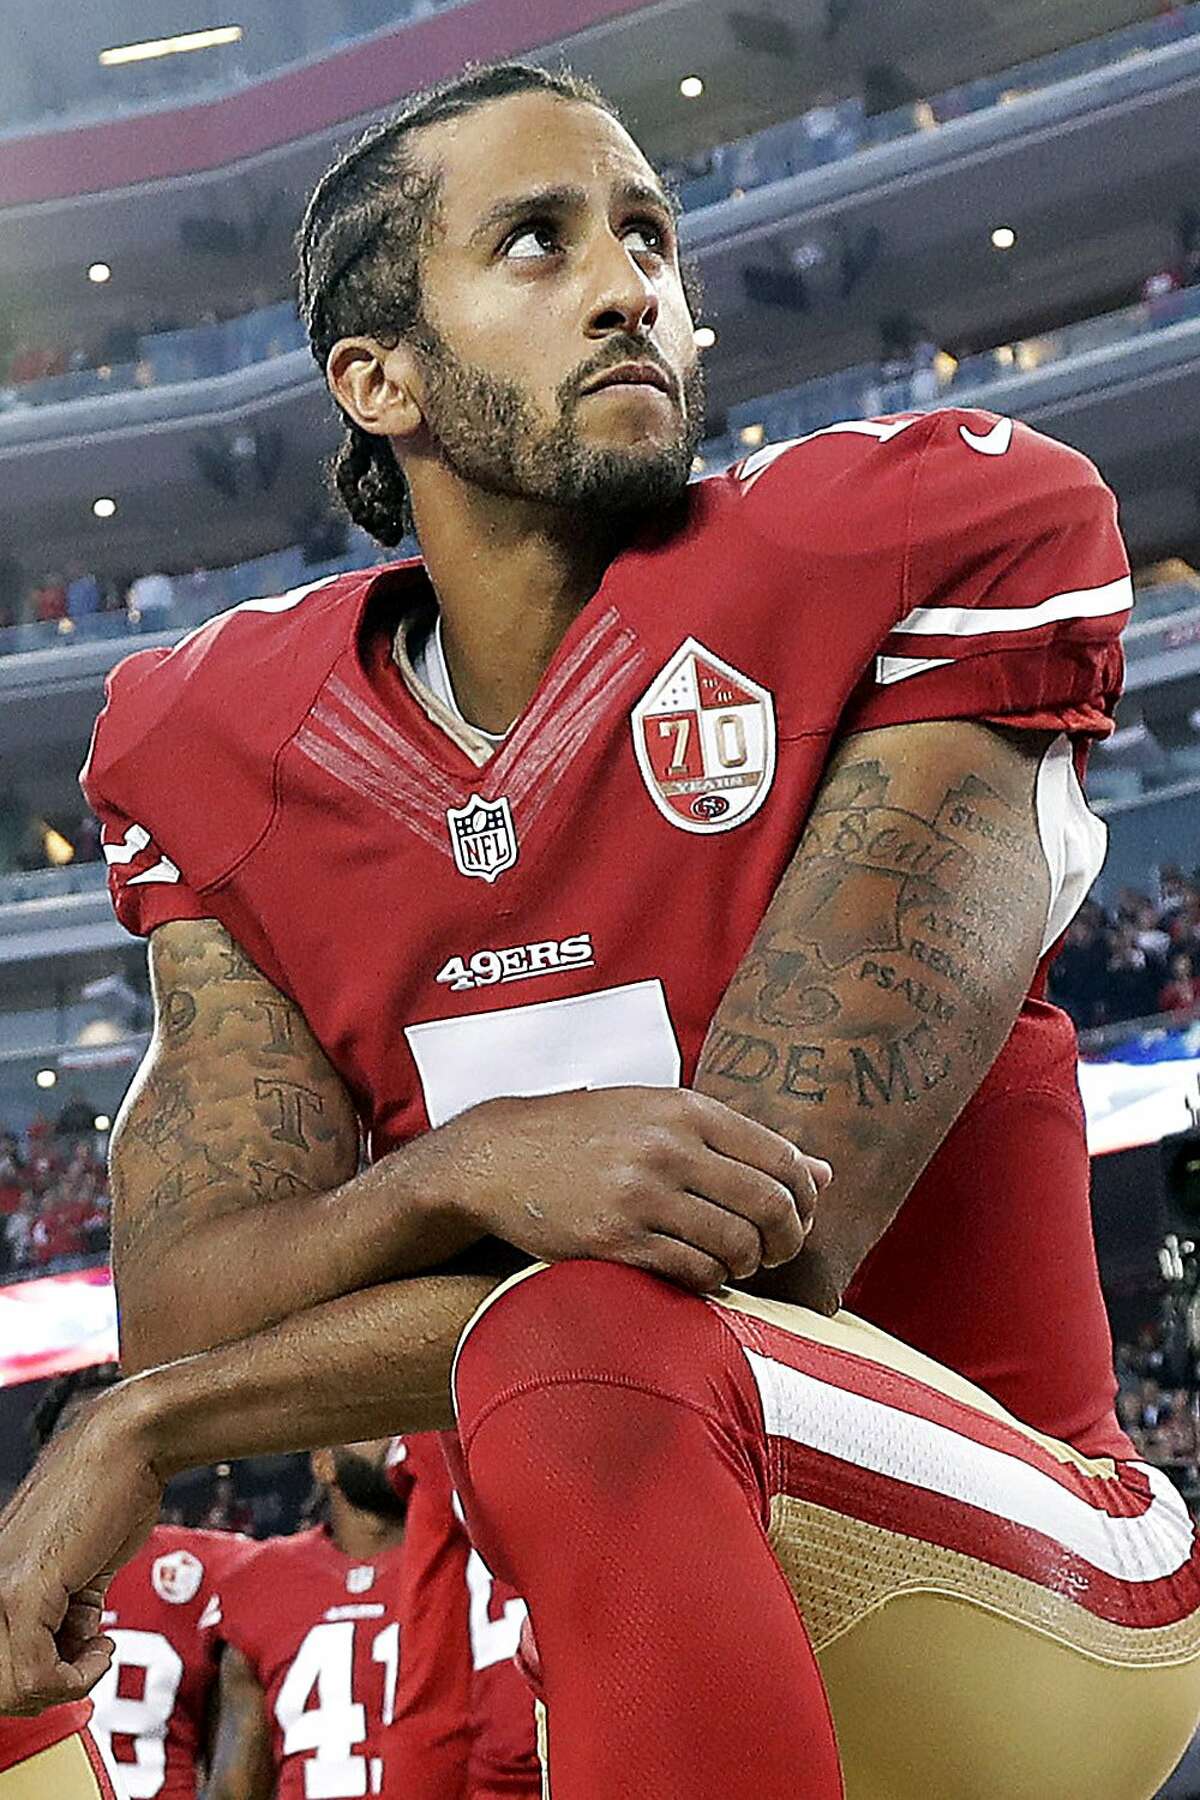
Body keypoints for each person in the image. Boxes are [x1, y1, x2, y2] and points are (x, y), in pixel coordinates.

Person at [1, 57, 1198, 1800]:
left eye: (650, 236)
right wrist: (448, 1172)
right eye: (540, 242)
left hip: (1017, 1593)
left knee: (592, 1345)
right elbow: (187, 1303)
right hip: (610, 1642)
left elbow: (759, 1242)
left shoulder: (912, 540)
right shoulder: (220, 740)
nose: (633, 284)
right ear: (377, 376)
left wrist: (152, 1422)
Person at [29, 1365, 252, 1798]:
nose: (97, 1459)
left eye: (116, 1440)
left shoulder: (224, 1564)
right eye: (80, 1438)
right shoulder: (12, 1570)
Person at [205, 1434, 470, 1799]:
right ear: (323, 1461)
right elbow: (234, 1790)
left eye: (405, 1428)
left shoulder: (469, 1561)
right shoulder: (261, 1580)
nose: (396, 1441)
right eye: (375, 1428)